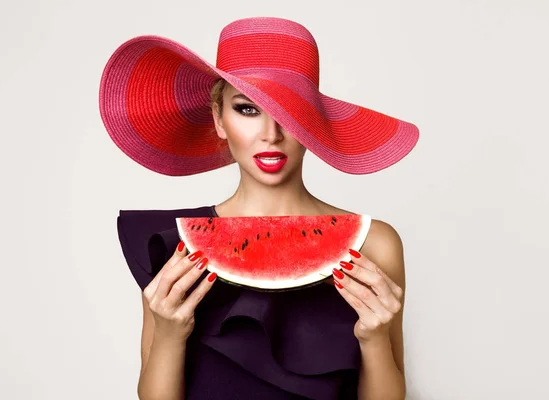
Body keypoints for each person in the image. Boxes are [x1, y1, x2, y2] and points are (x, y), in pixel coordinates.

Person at [100, 16, 419, 400]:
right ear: (219, 119)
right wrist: (169, 335)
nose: (271, 133)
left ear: (312, 122)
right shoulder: (171, 248)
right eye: (247, 109)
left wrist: (374, 339)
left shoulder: (376, 244)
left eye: (290, 111)